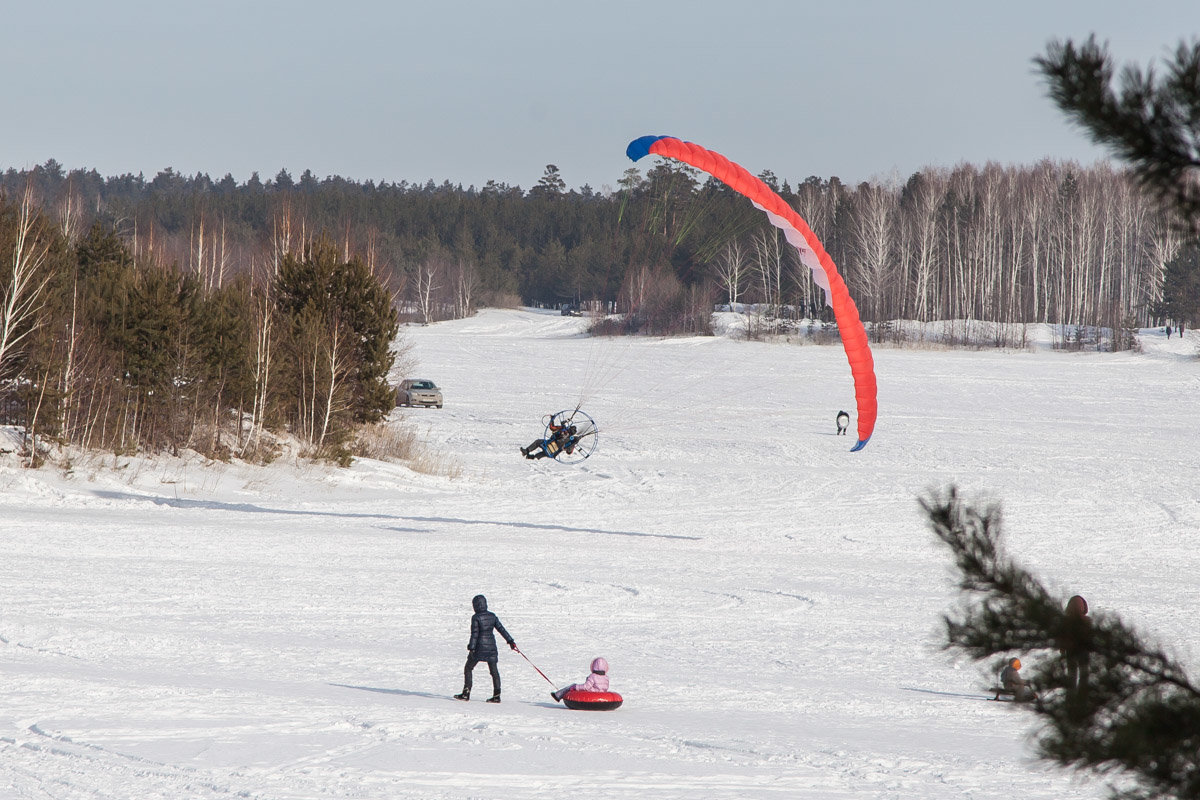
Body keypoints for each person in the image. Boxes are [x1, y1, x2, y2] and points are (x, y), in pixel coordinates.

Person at [454, 594, 516, 703]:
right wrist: (510, 641)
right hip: (492, 647)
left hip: (479, 648)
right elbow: (501, 629)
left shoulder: (476, 617)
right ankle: (496, 695)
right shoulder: (492, 616)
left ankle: (466, 692)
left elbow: (475, 634)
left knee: (468, 668)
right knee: (494, 671)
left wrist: (472, 647)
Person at [1058, 594, 1092, 698]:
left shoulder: (1065, 620)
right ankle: (1082, 696)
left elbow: (1061, 636)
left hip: (1070, 651)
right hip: (1084, 651)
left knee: (1072, 674)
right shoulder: (1087, 621)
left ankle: (1070, 696)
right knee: (1084, 675)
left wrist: (1062, 649)